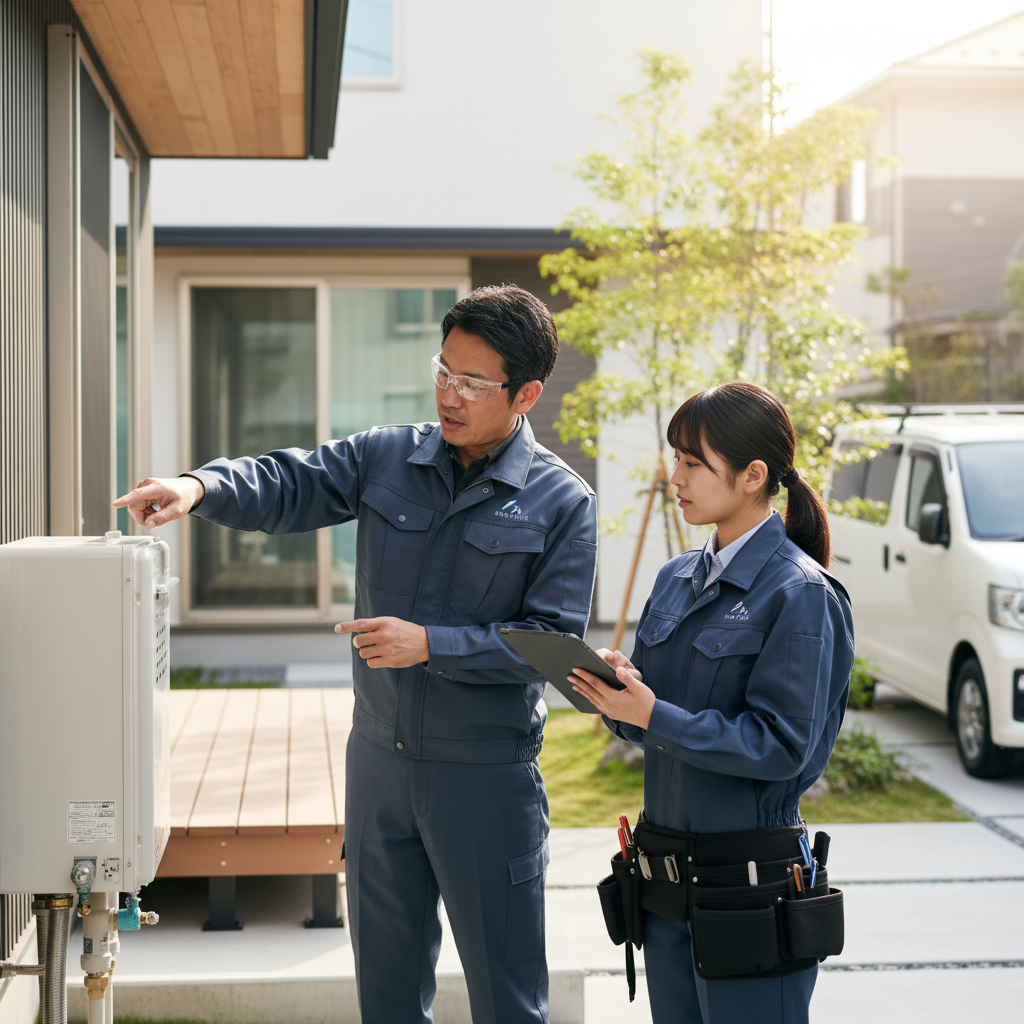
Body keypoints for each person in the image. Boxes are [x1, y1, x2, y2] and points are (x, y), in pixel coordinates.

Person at [114, 284, 598, 1024]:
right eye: (444, 371)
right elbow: (289, 480)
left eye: (473, 382)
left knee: (508, 999)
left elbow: (550, 647)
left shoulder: (561, 503)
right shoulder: (387, 457)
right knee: (387, 995)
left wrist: (430, 645)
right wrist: (199, 486)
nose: (450, 394)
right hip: (378, 767)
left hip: (485, 780)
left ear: (526, 392)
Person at [568, 382, 855, 1024]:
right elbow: (651, 725)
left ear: (753, 475)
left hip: (750, 889)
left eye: (693, 462)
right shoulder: (676, 578)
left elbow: (783, 747)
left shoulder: (802, 593)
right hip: (663, 882)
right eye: (676, 459)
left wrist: (653, 715)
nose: (676, 476)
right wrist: (617, 695)